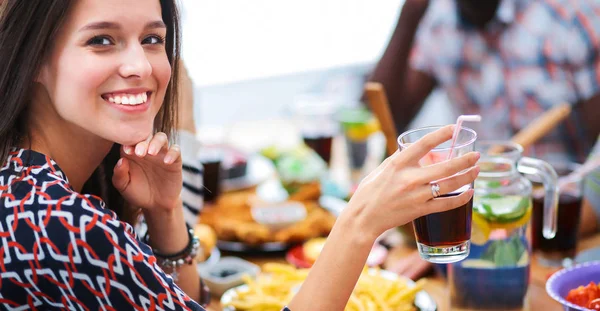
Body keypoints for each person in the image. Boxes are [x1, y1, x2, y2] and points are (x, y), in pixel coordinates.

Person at [0, 0, 480, 310]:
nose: (139, 65)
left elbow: (180, 301)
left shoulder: (42, 186)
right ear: (36, 58)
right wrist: (358, 223)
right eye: (101, 40)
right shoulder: (55, 221)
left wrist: (165, 214)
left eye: (152, 39)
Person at [370, 0, 600, 278]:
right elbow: (384, 115)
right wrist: (410, 13)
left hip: (561, 221)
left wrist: (492, 235)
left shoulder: (571, 17)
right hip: (479, 211)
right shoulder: (439, 23)